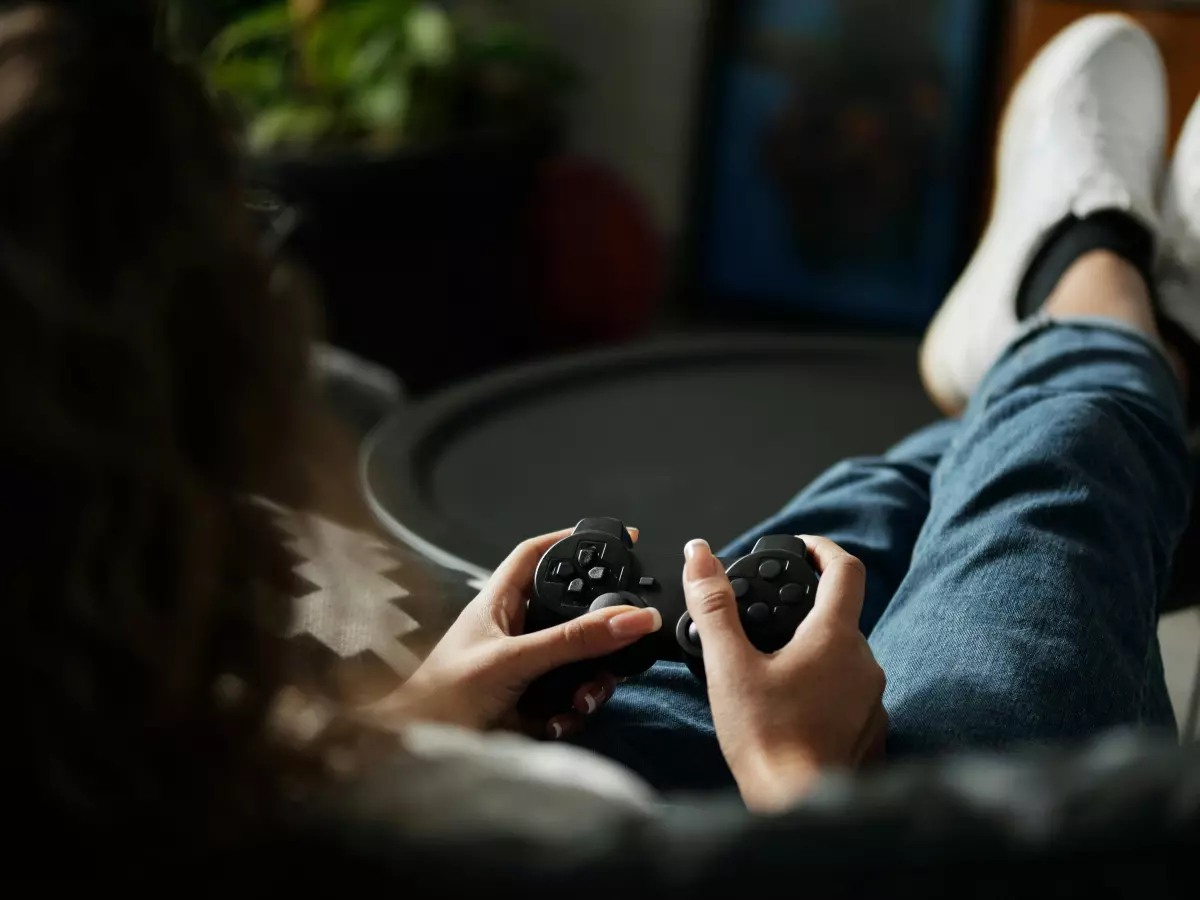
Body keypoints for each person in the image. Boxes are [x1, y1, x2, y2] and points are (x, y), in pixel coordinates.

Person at [3, 2, 1196, 887]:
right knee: (1044, 502)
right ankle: (1098, 278)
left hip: (462, 779)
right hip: (787, 846)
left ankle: (1103, 331)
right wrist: (803, 786)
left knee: (836, 541)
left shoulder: (114, 766)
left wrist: (409, 720)